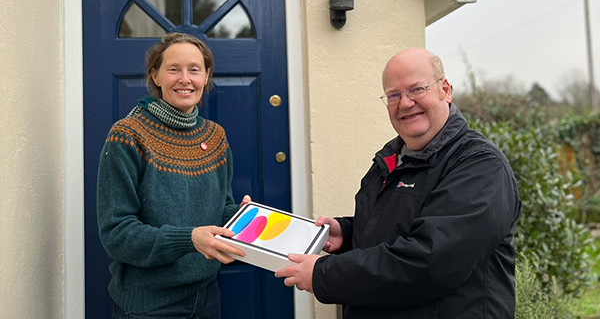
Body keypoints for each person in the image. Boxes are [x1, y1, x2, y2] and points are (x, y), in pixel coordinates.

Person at [275, 48, 521, 318]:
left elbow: (431, 262)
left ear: (445, 90)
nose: (405, 103)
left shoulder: (479, 165)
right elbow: (397, 227)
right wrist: (347, 233)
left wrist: (324, 275)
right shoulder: (390, 159)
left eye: (417, 89)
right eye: (393, 95)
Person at [97, 32, 249, 319]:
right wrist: (189, 240)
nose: (185, 79)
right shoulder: (127, 136)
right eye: (173, 69)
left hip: (206, 294)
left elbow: (220, 208)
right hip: (148, 305)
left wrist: (241, 217)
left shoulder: (216, 137)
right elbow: (116, 233)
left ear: (206, 77)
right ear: (155, 76)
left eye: (194, 69)